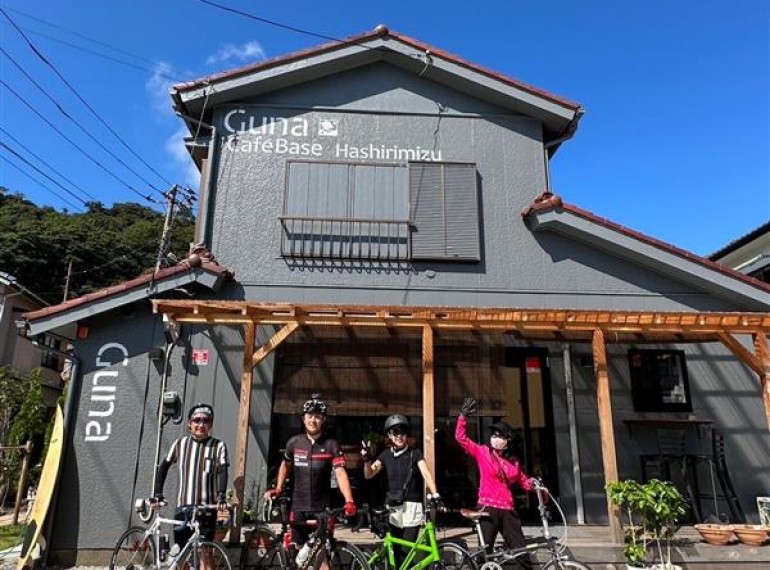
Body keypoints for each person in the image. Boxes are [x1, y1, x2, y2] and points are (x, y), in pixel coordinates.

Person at [264, 394, 357, 566]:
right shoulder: (294, 443)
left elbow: (340, 472)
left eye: (317, 416)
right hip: (298, 506)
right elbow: (285, 465)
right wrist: (278, 487)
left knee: (322, 555)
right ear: (303, 418)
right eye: (309, 416)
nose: (312, 420)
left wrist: (349, 500)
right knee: (299, 557)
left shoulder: (331, 445)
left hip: (322, 508)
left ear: (323, 420)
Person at [455, 397, 536, 570]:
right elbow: (461, 439)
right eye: (494, 435)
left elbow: (523, 480)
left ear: (508, 441)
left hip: (508, 510)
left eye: (500, 436)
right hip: (487, 509)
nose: (496, 438)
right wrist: (463, 417)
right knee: (484, 554)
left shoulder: (513, 462)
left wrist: (535, 484)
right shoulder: (483, 452)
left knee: (522, 553)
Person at [151, 403, 229, 566]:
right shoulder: (180, 444)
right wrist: (158, 493)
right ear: (189, 424)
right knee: (182, 554)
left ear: (211, 425)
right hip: (183, 507)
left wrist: (221, 495)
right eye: (196, 420)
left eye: (205, 420)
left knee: (205, 553)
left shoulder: (218, 446)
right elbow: (163, 466)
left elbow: (223, 471)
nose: (201, 424)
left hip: (206, 508)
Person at [362, 414, 443, 564]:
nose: (399, 436)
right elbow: (369, 474)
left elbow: (426, 473)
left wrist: (435, 494)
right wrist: (367, 461)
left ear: (407, 434)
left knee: (407, 552)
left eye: (402, 432)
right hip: (392, 508)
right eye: (395, 433)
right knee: (396, 551)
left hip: (412, 507)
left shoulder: (415, 453)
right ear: (389, 435)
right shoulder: (385, 455)